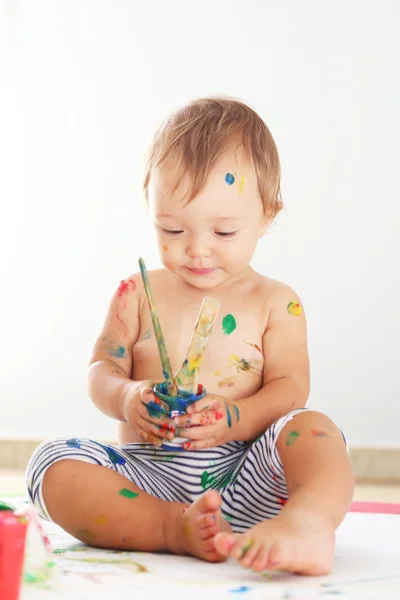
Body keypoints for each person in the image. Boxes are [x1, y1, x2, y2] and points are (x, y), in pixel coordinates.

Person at [26, 97, 354, 575]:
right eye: (172, 228)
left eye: (223, 232)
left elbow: (291, 390)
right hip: (143, 482)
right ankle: (170, 529)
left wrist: (237, 416)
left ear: (268, 214)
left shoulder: (277, 302)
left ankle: (306, 523)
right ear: (150, 208)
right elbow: (102, 370)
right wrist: (128, 397)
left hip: (245, 478)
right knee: (48, 461)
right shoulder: (136, 292)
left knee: (317, 430)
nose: (197, 250)